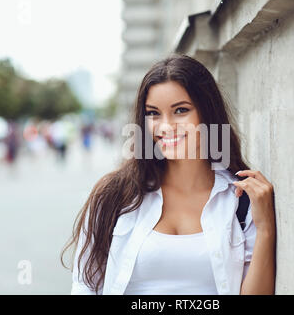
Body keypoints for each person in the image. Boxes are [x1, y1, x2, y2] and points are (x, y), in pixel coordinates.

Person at [61, 54, 276, 295]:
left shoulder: (241, 200)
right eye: (153, 113)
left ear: (207, 113)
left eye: (181, 110)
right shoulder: (115, 195)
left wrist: (266, 227)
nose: (165, 126)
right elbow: (84, 286)